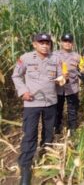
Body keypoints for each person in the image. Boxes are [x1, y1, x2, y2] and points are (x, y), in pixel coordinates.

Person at [12, 33, 67, 185]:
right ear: (34, 44)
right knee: (30, 133)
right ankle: (26, 166)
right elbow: (16, 76)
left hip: (50, 101)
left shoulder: (56, 59)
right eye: (41, 42)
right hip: (32, 102)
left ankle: (46, 154)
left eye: (47, 42)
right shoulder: (26, 58)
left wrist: (62, 79)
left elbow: (62, 74)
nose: (44, 45)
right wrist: (23, 91)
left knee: (49, 131)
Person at [53, 34, 80, 135]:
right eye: (65, 41)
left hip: (72, 87)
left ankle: (72, 129)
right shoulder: (54, 55)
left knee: (72, 109)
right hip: (58, 87)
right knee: (57, 109)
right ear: (61, 42)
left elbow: (81, 70)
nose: (67, 43)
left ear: (72, 43)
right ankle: (56, 128)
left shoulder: (77, 56)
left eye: (70, 41)